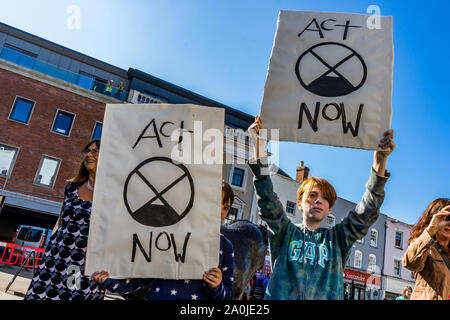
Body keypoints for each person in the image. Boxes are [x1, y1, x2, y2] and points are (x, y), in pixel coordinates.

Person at [247, 115, 395, 300]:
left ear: (329, 209)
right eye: (312, 195)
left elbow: (366, 213)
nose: (318, 201)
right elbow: (267, 197)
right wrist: (259, 147)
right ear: (299, 204)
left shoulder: (338, 239)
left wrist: (380, 162)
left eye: (324, 199)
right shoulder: (285, 232)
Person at [90, 181, 235, 300]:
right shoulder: (168, 236)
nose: (220, 212)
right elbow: (138, 279)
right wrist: (108, 280)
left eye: (226, 207)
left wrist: (217, 286)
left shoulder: (225, 247)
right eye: (215, 204)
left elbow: (227, 297)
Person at [24, 139, 106, 300]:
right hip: (55, 258)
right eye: (87, 151)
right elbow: (60, 222)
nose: (89, 154)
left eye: (95, 151)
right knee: (41, 295)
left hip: (79, 264)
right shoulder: (71, 187)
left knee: (69, 296)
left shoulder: (113, 193)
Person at [402, 199, 450, 300]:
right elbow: (410, 262)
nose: (449, 224)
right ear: (433, 218)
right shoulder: (424, 245)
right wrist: (432, 229)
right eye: (445, 218)